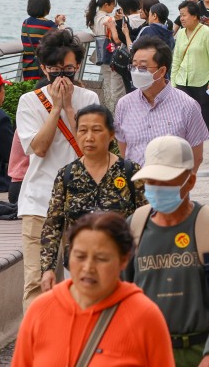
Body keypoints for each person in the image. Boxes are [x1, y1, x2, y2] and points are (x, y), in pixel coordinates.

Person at [126, 135, 209, 366]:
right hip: (148, 352)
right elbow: (119, 293)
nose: (156, 188)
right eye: (151, 181)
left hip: (201, 352)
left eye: (166, 181)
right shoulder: (134, 226)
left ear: (190, 181)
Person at [13, 212, 173, 366]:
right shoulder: (40, 310)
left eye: (101, 258)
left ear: (123, 260)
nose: (88, 268)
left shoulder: (145, 316)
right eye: (80, 256)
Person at [15, 29, 100, 310]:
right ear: (43, 68)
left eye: (68, 68)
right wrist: (55, 110)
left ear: (77, 66)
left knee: (83, 281)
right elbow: (38, 148)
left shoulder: (89, 100)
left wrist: (70, 109)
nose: (61, 75)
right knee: (38, 283)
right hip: (38, 205)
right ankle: (38, 347)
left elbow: (91, 147)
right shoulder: (29, 102)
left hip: (81, 204)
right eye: (54, 69)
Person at [39, 105, 146, 292]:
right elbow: (53, 224)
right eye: (83, 130)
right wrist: (47, 269)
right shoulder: (67, 174)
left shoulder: (130, 171)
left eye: (96, 130)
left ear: (111, 134)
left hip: (122, 266)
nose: (89, 137)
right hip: (78, 267)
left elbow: (146, 220)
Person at [115, 36, 209, 169]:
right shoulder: (124, 104)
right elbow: (124, 150)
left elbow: (196, 156)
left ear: (162, 71)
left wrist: (182, 187)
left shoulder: (187, 106)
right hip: (135, 186)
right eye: (133, 66)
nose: (136, 72)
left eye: (143, 67)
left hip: (171, 187)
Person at [172, 0, 209, 161]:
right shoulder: (181, 34)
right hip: (183, 81)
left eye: (184, 15)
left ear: (195, 16)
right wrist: (173, 82)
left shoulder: (208, 33)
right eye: (180, 15)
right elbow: (176, 59)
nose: (181, 18)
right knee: (182, 117)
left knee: (207, 115)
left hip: (204, 81)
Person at [85, 0, 125, 111]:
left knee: (107, 84)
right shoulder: (108, 20)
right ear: (106, 5)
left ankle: (108, 109)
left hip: (101, 54)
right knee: (115, 85)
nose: (114, 8)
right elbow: (114, 35)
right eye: (113, 5)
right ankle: (116, 110)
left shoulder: (93, 17)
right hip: (111, 52)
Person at [21, 0, 65, 81]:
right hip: (43, 68)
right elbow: (64, 36)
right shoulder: (48, 25)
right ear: (47, 8)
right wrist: (60, 23)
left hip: (28, 67)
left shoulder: (25, 23)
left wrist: (54, 24)